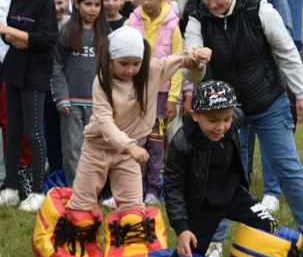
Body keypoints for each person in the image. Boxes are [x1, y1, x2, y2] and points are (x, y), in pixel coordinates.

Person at [184, 0, 303, 257]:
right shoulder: (198, 19)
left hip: (269, 100)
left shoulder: (259, 10)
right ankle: (214, 240)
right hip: (226, 108)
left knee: (288, 166)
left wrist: (302, 95)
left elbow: (287, 51)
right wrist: (196, 62)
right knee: (221, 171)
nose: (212, 4)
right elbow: (193, 75)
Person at [63, 26, 208, 215]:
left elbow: (182, 60)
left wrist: (198, 56)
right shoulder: (102, 82)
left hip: (128, 153)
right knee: (81, 204)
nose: (130, 69)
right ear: (109, 60)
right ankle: (75, 235)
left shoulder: (152, 70)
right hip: (98, 148)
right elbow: (104, 121)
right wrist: (130, 146)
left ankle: (129, 242)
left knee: (133, 208)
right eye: (123, 63)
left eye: (136, 63)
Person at [164, 81, 275, 257]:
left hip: (233, 195)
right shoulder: (181, 144)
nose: (220, 127)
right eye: (213, 120)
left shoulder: (232, 122)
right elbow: (173, 188)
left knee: (269, 225)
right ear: (195, 115)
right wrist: (182, 228)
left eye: (226, 119)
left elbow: (240, 108)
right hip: (203, 206)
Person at [0, 0, 58, 212]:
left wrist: (12, 32)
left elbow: (47, 39)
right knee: (13, 132)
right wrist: (16, 37)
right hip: (14, 72)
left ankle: (38, 192)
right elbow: (11, 37)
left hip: (35, 76)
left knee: (34, 131)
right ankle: (10, 188)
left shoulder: (45, 0)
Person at [230, 0, 294, 215]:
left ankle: (271, 191)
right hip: (237, 77)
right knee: (239, 134)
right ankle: (241, 187)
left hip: (267, 78)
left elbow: (286, 33)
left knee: (269, 136)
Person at [127, 0, 183, 204]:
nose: (146, 2)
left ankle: (152, 188)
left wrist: (173, 97)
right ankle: (133, 188)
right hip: (135, 93)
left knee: (156, 142)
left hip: (161, 94)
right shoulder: (130, 23)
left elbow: (178, 63)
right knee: (135, 141)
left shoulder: (173, 27)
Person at [52, 0, 108, 184]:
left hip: (98, 103)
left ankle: (94, 190)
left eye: (97, 4)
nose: (93, 9)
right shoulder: (67, 31)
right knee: (73, 148)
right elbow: (56, 66)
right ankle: (76, 191)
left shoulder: (105, 33)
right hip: (72, 103)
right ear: (76, 4)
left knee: (97, 149)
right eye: (88, 4)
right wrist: (61, 97)